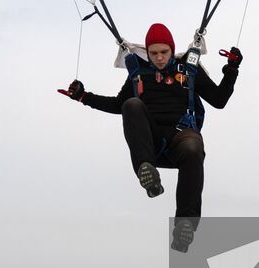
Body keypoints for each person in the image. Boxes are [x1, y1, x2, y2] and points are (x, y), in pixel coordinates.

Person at [62, 23, 241, 252]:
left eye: (164, 52)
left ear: (171, 49)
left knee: (193, 145)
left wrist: (232, 69)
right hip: (151, 144)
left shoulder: (188, 70)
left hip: (180, 138)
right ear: (147, 52)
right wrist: (84, 97)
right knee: (132, 104)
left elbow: (219, 99)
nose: (159, 58)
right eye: (154, 53)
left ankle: (185, 226)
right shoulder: (139, 75)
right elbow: (118, 105)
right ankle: (147, 173)